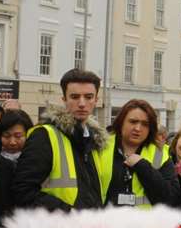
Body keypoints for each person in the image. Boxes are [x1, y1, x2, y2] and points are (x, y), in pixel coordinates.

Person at [11, 70, 110, 211]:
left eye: (88, 97)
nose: (82, 103)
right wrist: (69, 213)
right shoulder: (44, 135)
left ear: (96, 100)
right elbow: (23, 191)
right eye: (75, 97)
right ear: (64, 99)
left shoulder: (94, 139)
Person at [96, 99, 176, 209]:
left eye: (145, 124)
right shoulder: (100, 147)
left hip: (144, 223)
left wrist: (143, 166)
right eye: (133, 122)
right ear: (121, 122)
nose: (138, 128)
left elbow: (170, 199)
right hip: (105, 222)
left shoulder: (160, 153)